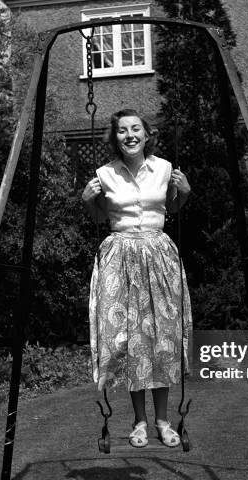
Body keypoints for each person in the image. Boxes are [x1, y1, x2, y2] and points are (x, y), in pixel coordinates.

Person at [82, 108, 192, 448]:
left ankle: (163, 420)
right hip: (120, 255)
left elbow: (170, 210)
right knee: (130, 340)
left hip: (159, 255)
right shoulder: (104, 175)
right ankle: (140, 422)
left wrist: (185, 192)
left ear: (147, 135)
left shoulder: (164, 169)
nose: (129, 135)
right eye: (121, 130)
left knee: (161, 337)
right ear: (115, 138)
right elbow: (101, 216)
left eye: (135, 129)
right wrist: (86, 202)